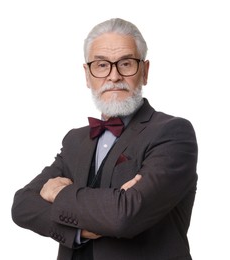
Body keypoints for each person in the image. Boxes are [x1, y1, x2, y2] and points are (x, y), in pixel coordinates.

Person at [11, 18, 198, 260]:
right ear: (87, 75)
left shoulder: (173, 133)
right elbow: (23, 205)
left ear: (145, 71)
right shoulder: (75, 140)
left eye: (126, 63)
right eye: (101, 65)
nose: (114, 76)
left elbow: (124, 216)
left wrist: (58, 194)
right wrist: (80, 231)